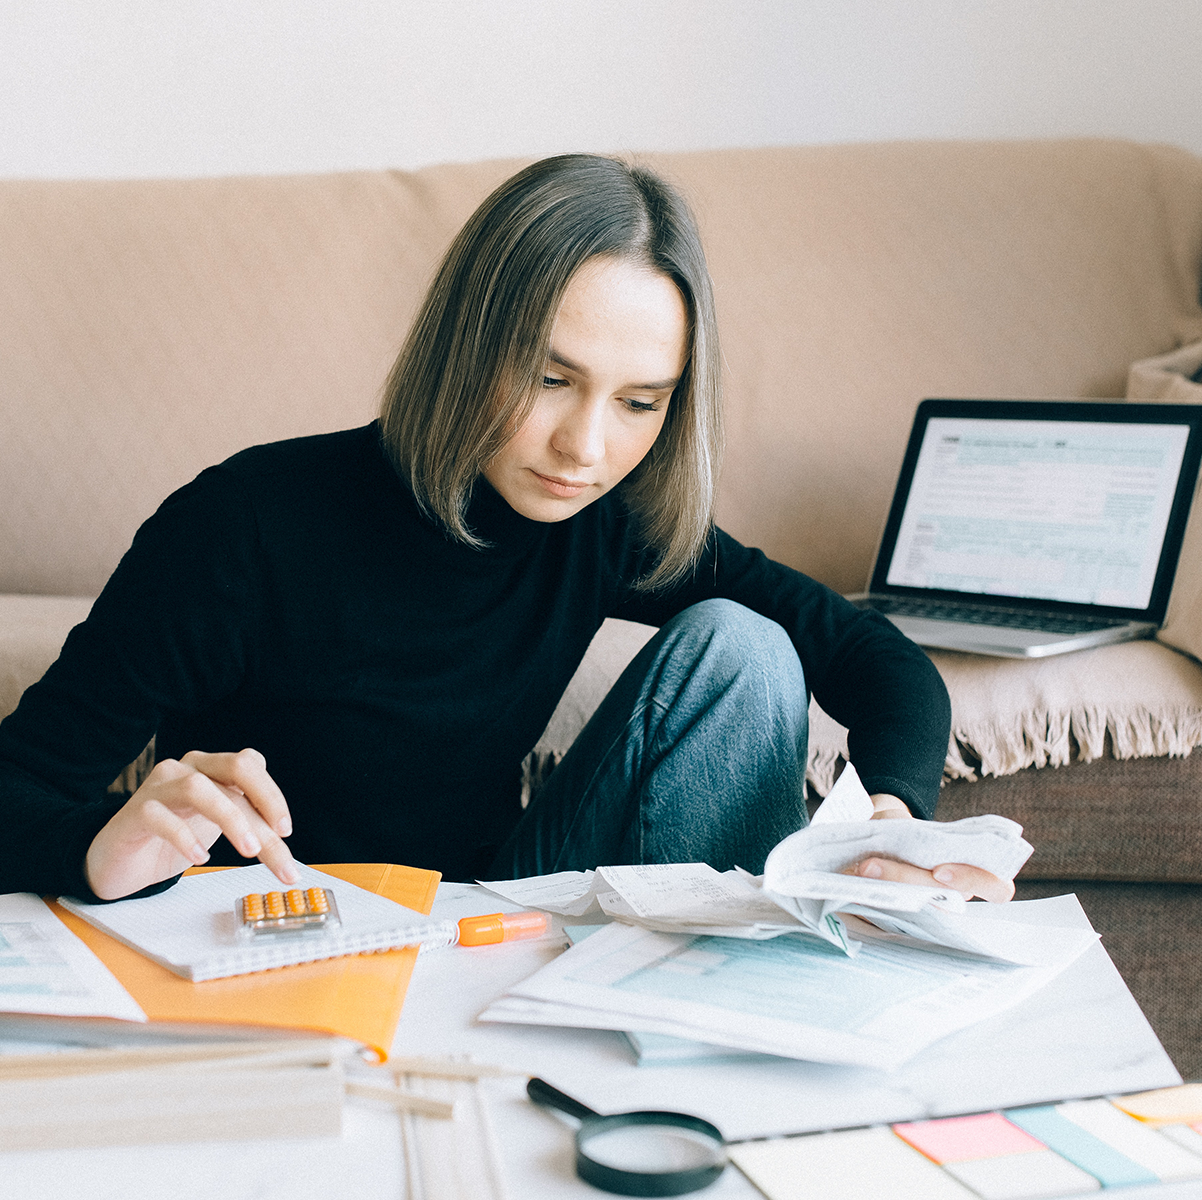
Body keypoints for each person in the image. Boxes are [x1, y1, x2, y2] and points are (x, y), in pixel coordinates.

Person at [0, 154, 1012, 906]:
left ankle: (733, 1013)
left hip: (491, 918)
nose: (584, 446)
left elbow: (872, 659)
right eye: (547, 377)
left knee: (744, 648)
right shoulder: (241, 526)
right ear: (465, 342)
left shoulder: (604, 522)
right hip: (271, 924)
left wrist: (893, 826)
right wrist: (105, 847)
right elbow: (21, 784)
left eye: (639, 402)